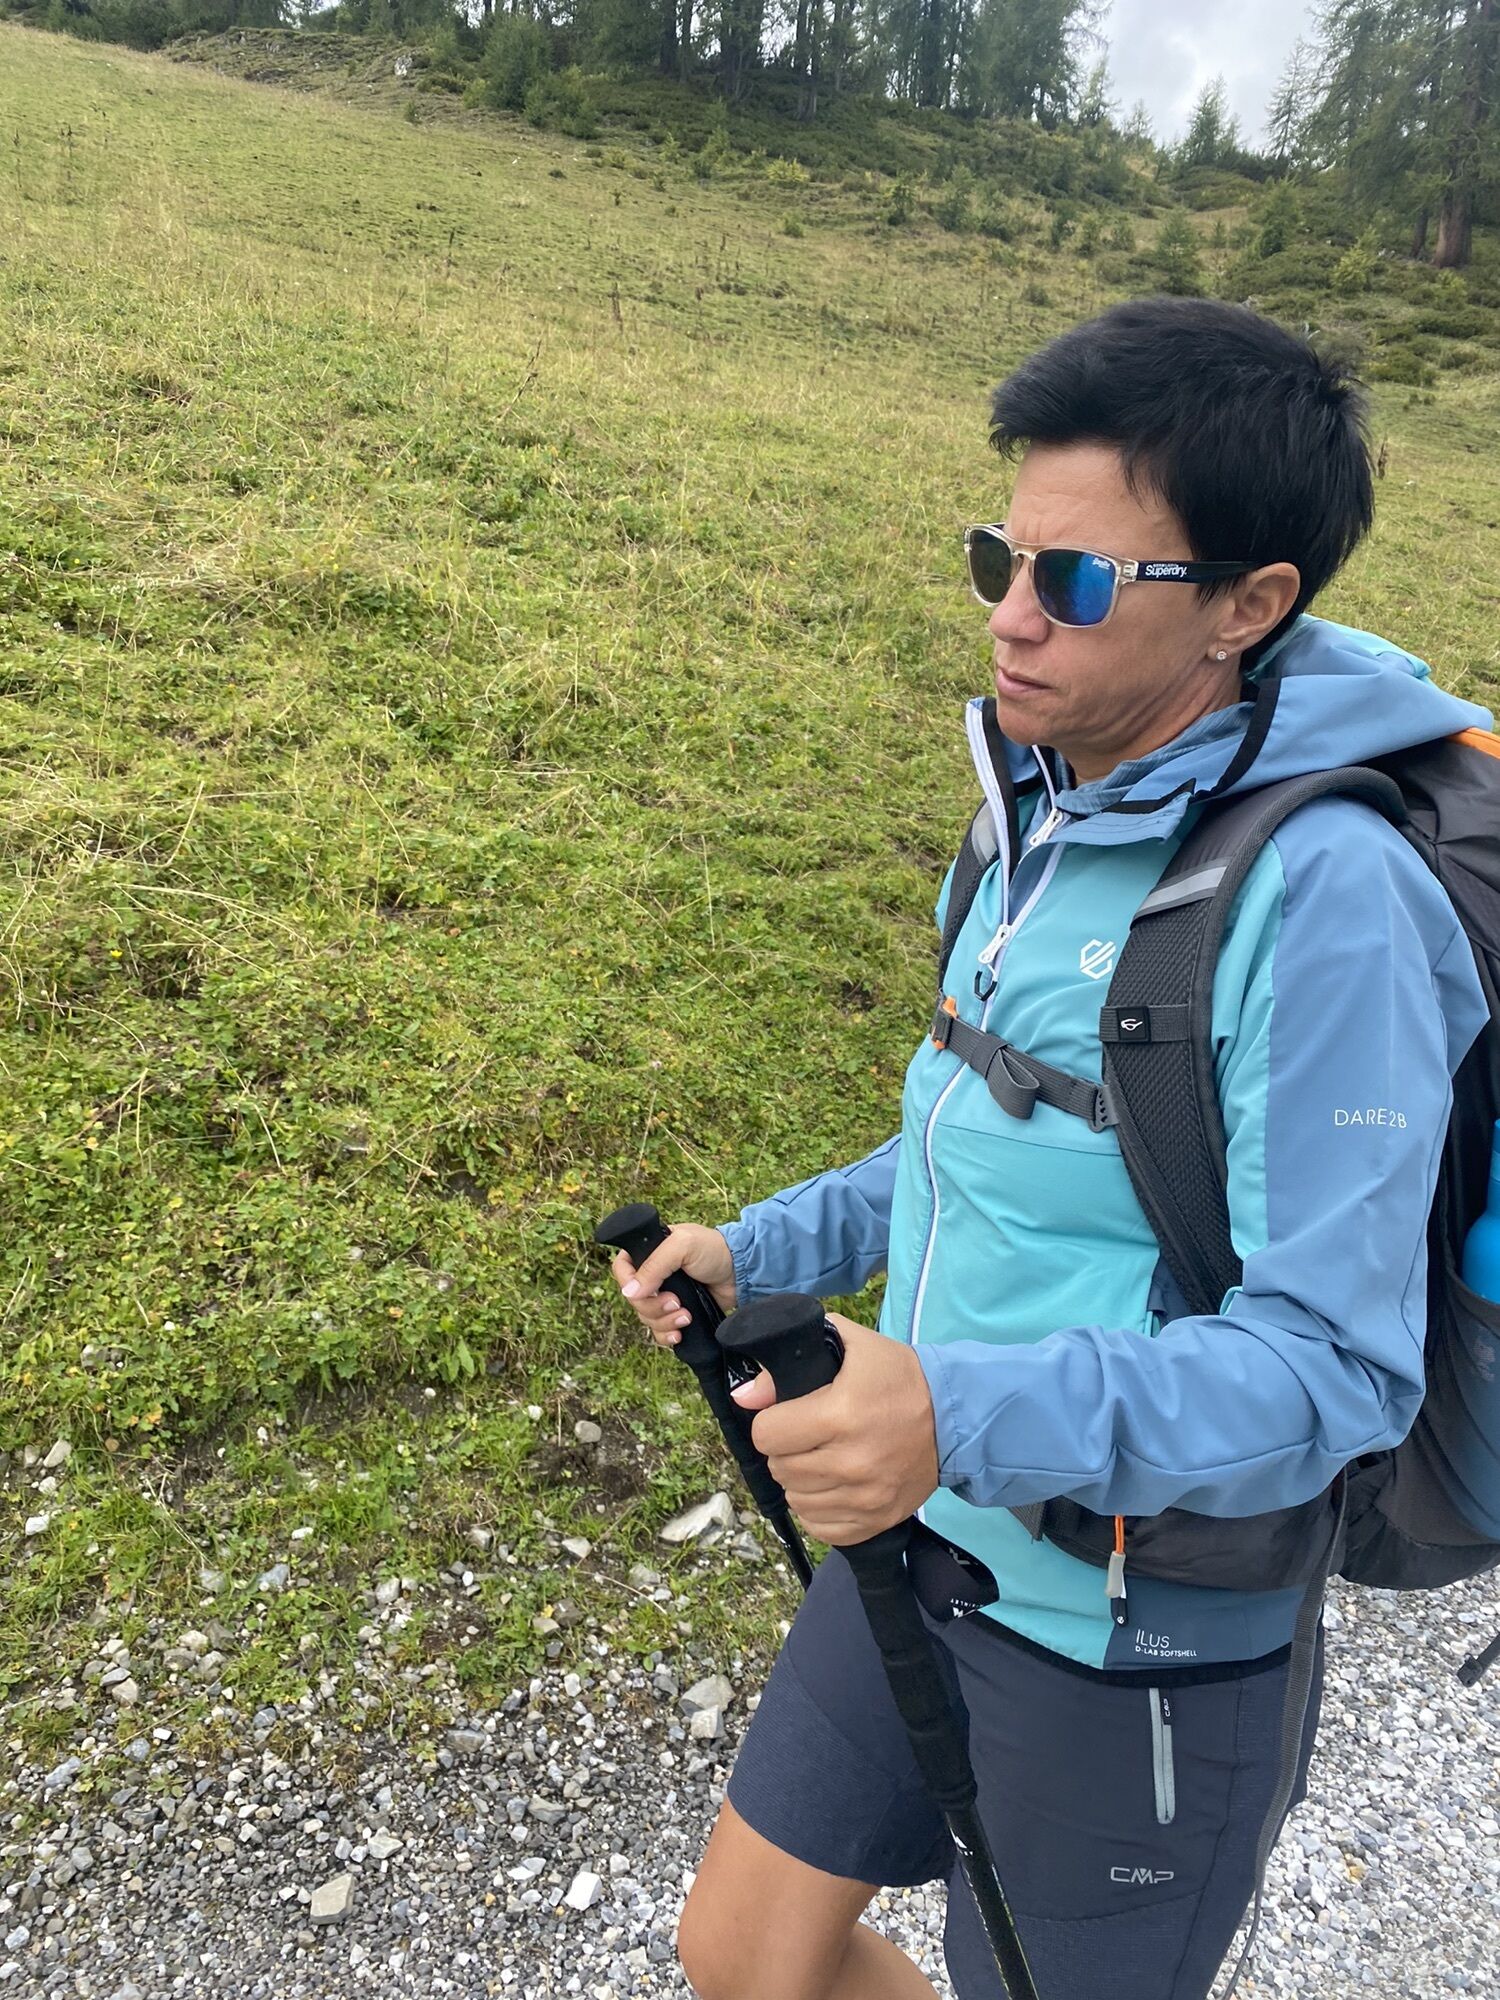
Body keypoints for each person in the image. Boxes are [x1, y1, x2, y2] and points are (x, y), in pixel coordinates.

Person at [610, 297, 1493, 2000]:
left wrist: (951, 1410)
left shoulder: (1332, 901)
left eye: (1075, 582)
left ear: (1248, 606)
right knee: (745, 1959)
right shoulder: (1042, 808)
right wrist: (761, 1249)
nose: (1011, 617)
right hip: (926, 1541)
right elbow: (987, 1138)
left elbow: (1335, 1373)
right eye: (1000, 559)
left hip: (1137, 1638)